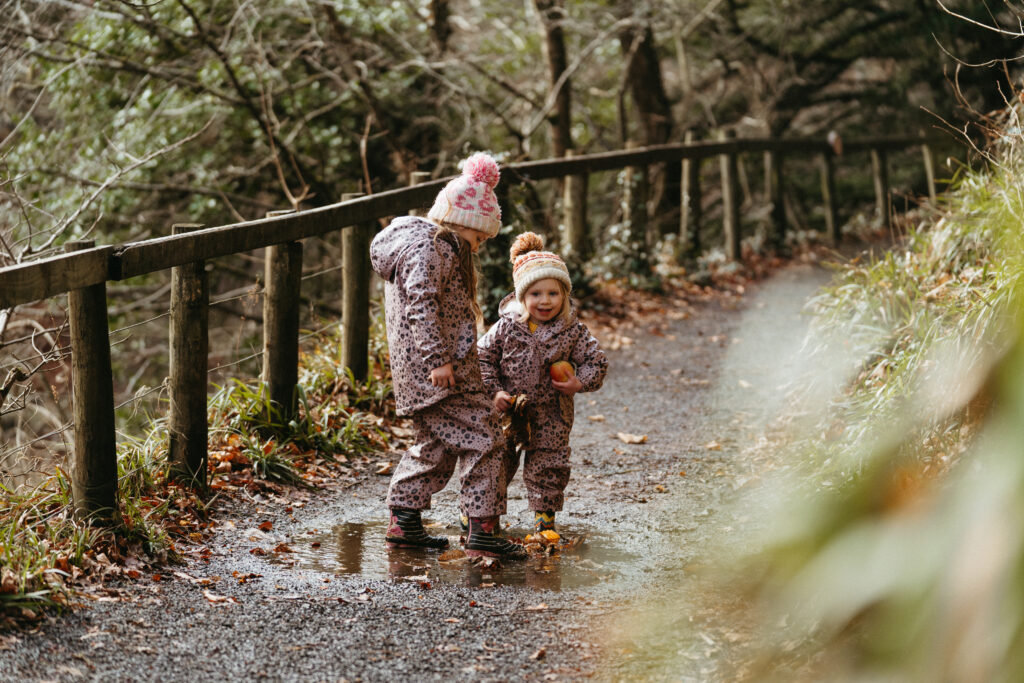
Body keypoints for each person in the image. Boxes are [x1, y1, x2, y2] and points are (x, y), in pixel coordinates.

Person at [369, 152, 526, 560]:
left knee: (436, 445)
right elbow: (420, 305)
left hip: (428, 372)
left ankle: (404, 522)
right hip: (437, 372)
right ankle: (482, 529)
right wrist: (438, 359)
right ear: (466, 221)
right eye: (481, 236)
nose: (482, 244)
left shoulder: (432, 246)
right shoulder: (432, 249)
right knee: (486, 438)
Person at [477, 232, 608, 533]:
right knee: (495, 462)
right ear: (522, 297)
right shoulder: (507, 327)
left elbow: (597, 362)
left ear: (564, 295)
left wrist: (579, 382)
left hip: (552, 414)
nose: (545, 301)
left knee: (549, 464)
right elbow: (482, 357)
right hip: (507, 411)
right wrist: (494, 390)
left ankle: (544, 518)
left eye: (553, 293)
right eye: (536, 294)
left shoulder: (571, 330)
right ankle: (482, 516)